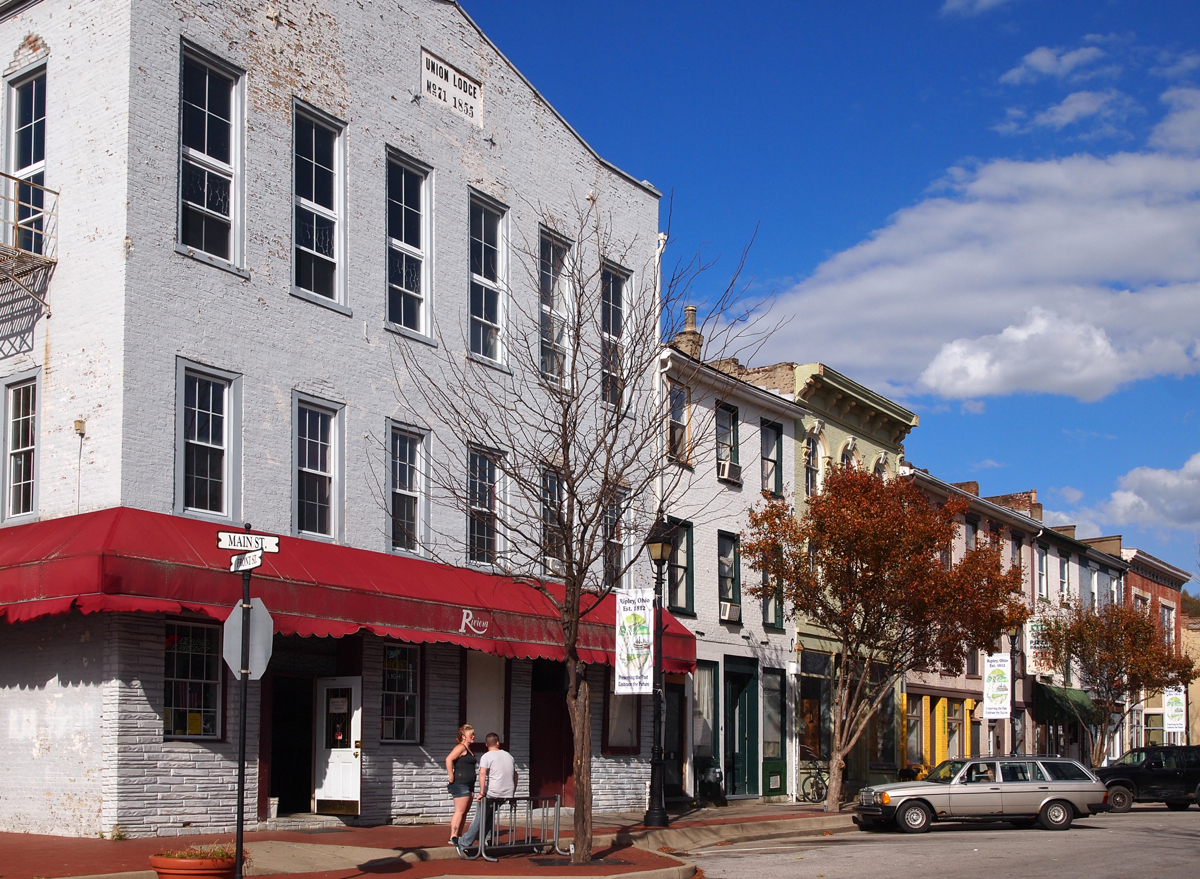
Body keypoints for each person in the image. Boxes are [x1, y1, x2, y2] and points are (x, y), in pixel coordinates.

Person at [456, 732, 517, 853]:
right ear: (498, 743)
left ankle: (465, 842)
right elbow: (516, 775)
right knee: (488, 814)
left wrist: (482, 792)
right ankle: (488, 839)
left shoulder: (487, 756)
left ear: (486, 744)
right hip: (507, 794)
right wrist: (512, 794)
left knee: (479, 817)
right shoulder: (509, 756)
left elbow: (482, 773)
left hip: (493, 792)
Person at [445, 724, 477, 846]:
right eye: (471, 735)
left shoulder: (469, 749)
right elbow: (449, 759)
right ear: (464, 736)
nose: (473, 737)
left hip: (469, 784)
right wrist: (451, 775)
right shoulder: (460, 747)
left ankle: (459, 835)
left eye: (473, 734)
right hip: (460, 783)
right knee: (460, 810)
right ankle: (453, 836)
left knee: (465, 811)